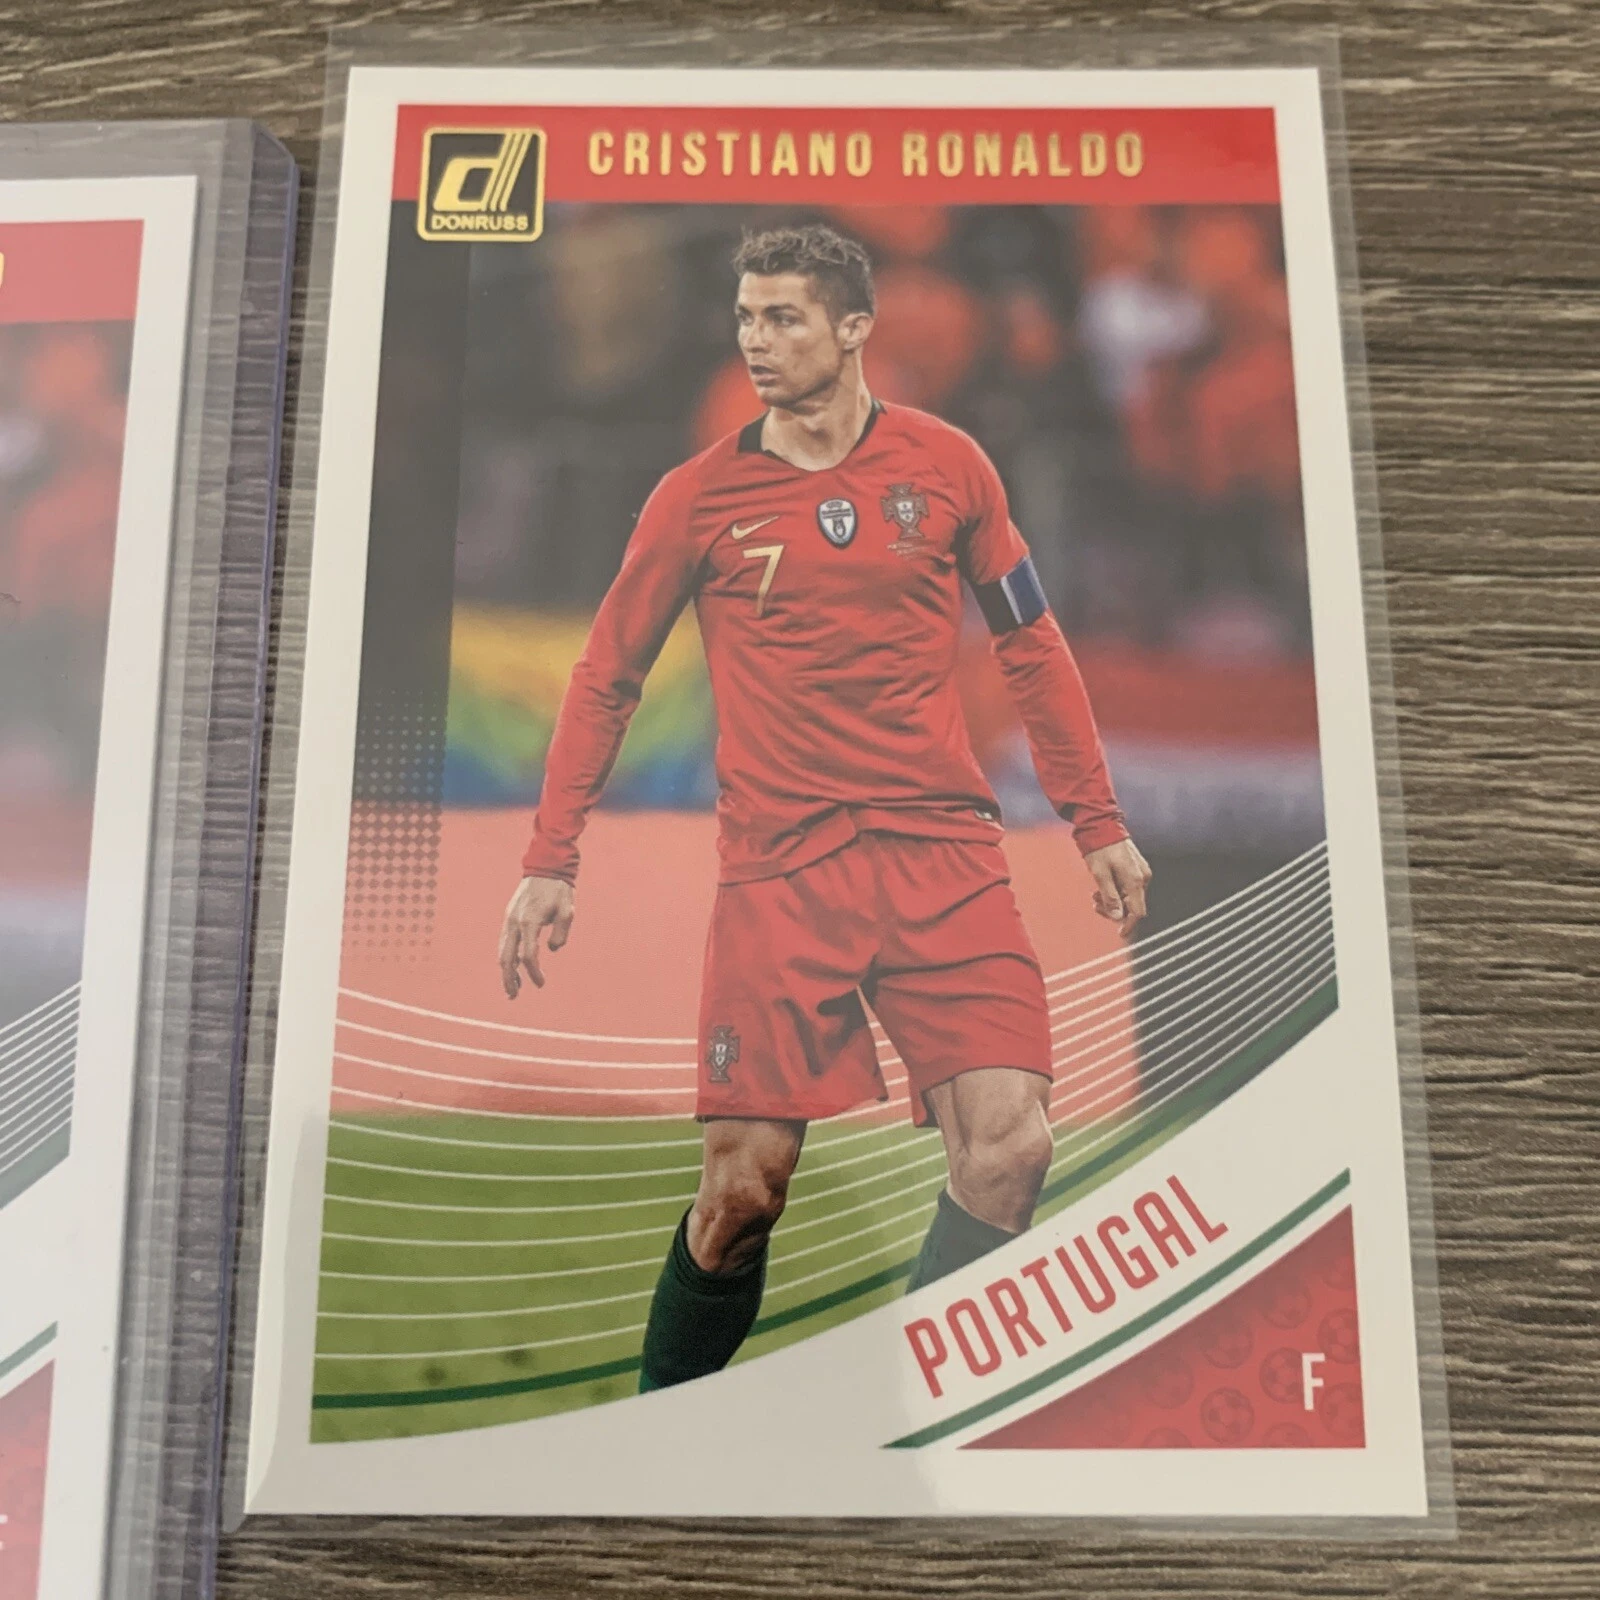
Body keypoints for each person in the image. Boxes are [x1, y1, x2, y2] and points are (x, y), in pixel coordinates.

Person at [498, 223, 1151, 1392]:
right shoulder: (695, 498)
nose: (754, 340)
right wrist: (552, 856)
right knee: (741, 1194)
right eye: (745, 317)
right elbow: (606, 675)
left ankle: (909, 1416)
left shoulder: (951, 468)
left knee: (1010, 1148)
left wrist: (1094, 820)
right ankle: (658, 1435)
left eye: (782, 317)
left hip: (944, 861)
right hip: (783, 877)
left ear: (854, 328)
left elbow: (1031, 643)